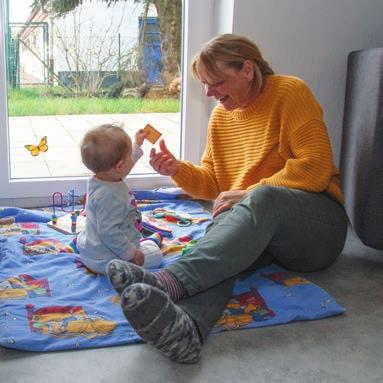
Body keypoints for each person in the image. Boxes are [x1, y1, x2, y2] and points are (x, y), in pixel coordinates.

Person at [106, 34, 348, 363]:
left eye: (216, 82)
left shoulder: (291, 92)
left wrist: (249, 192)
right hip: (265, 228)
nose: (209, 93)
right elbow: (214, 183)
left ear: (247, 70)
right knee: (222, 245)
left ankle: (166, 282)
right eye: (205, 84)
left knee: (264, 198)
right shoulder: (222, 117)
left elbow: (316, 168)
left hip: (318, 228)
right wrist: (177, 169)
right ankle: (187, 330)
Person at [77, 124, 163, 274]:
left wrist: (137, 144)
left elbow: (123, 168)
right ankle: (135, 256)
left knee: (145, 246)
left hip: (91, 249)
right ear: (120, 165)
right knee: (155, 256)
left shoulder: (101, 178)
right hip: (107, 259)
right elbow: (109, 232)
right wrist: (132, 253)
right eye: (130, 155)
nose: (132, 158)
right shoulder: (111, 196)